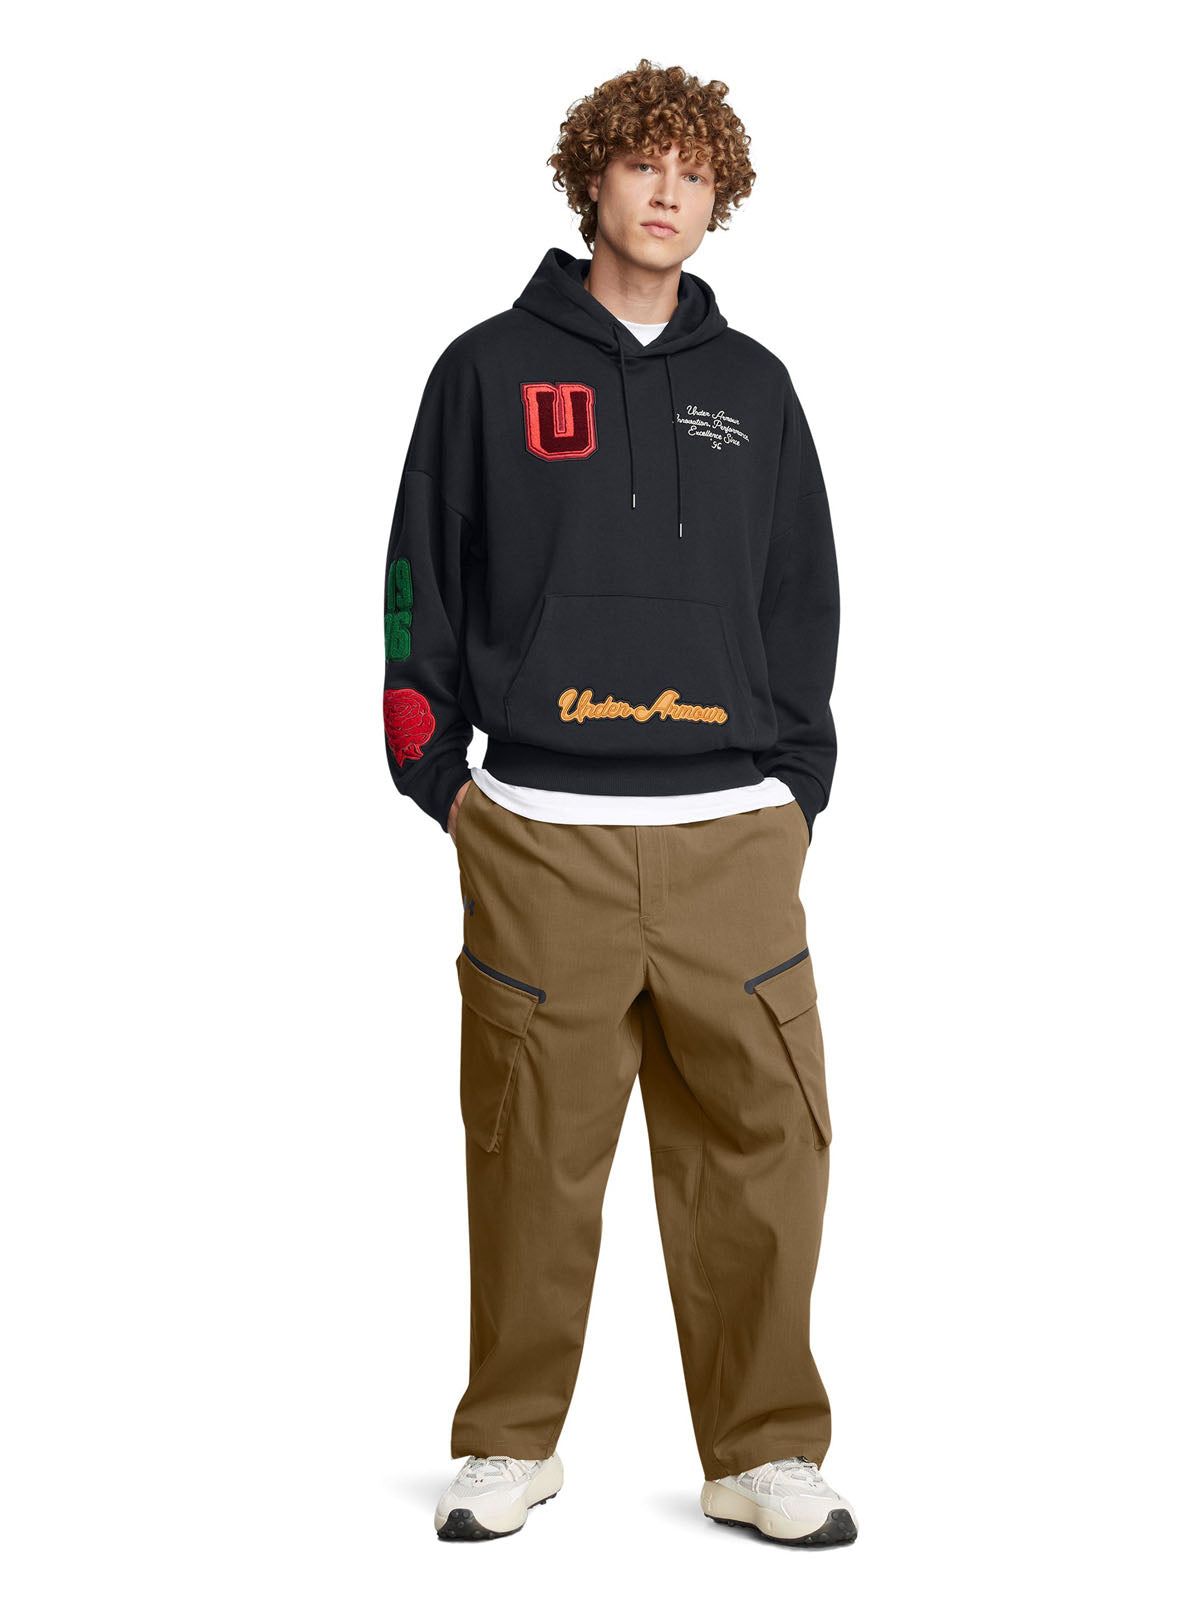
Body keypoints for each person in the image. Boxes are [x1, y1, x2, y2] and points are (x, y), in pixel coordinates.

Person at [382, 58, 856, 1548]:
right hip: (541, 838)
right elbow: (419, 581)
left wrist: (796, 787)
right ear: (591, 177)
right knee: (530, 1155)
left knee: (766, 1151)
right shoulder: (483, 371)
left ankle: (763, 1450)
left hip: (730, 842)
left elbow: (803, 597)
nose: (669, 192)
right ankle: (508, 1441)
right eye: (644, 163)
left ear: (720, 199)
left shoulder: (754, 388)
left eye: (696, 172)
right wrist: (439, 781)